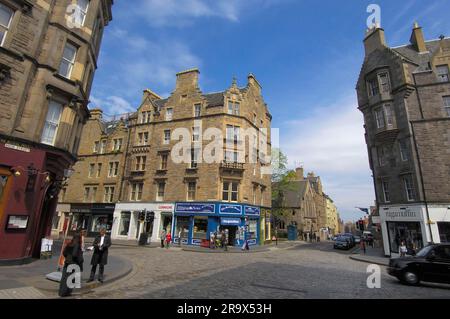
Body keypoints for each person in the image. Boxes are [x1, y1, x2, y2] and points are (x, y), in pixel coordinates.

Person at [59, 233, 83, 297]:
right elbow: (75, 255)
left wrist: (67, 257)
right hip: (73, 264)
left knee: (64, 278)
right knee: (70, 279)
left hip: (67, 263)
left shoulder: (69, 244)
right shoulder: (77, 245)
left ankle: (61, 292)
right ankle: (66, 292)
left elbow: (64, 252)